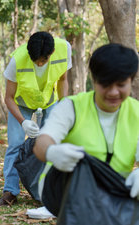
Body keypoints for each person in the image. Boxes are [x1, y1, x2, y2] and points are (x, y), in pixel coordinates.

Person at [33, 43, 139, 200]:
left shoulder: (136, 112)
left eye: (121, 85)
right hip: (67, 192)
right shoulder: (71, 107)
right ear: (94, 80)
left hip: (115, 192)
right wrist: (51, 152)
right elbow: (42, 143)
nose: (113, 92)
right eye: (105, 84)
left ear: (131, 81)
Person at [0, 31, 72, 206]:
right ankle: (10, 191)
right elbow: (8, 97)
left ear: (50, 54)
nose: (39, 64)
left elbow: (63, 79)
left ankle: (47, 191)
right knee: (15, 144)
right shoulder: (17, 61)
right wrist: (23, 121)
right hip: (21, 103)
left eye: (43, 60)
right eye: (36, 60)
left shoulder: (64, 49)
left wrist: (63, 104)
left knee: (50, 144)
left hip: (49, 101)